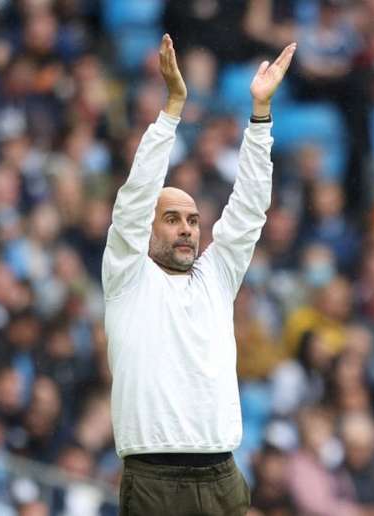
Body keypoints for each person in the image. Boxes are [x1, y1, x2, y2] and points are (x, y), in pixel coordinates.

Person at [102, 33, 296, 515]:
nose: (187, 229)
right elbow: (133, 202)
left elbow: (250, 207)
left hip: (222, 474)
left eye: (192, 220)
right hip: (153, 479)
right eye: (172, 219)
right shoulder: (127, 277)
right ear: (148, 228)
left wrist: (260, 116)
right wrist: (172, 109)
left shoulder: (217, 276)